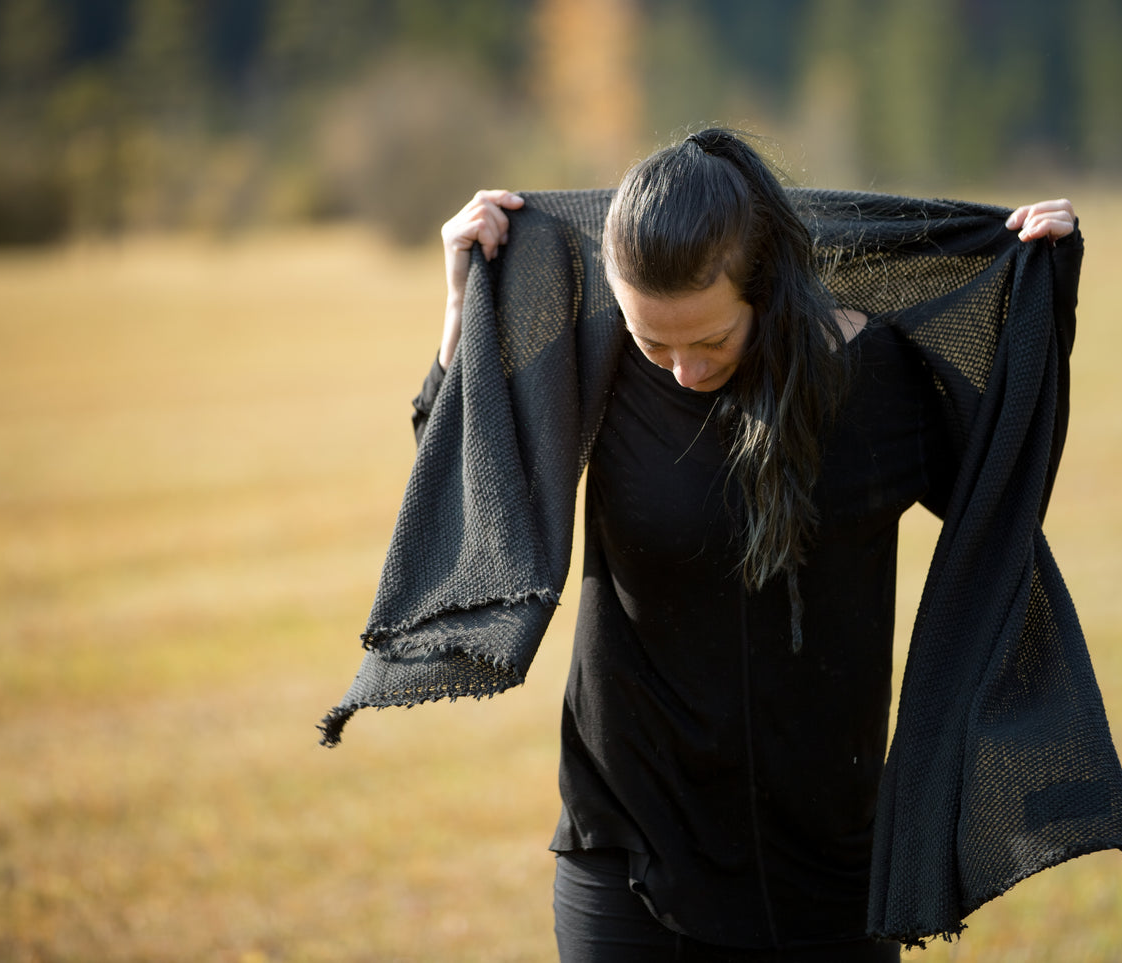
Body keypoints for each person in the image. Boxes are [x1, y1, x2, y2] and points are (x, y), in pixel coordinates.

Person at [408, 130, 1085, 961]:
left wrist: (1042, 298)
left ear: (764, 284)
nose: (681, 369)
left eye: (709, 341)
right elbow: (475, 487)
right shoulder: (604, 369)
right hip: (629, 858)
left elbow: (1005, 492)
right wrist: (457, 306)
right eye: (653, 340)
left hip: (834, 866)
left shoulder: (880, 387)